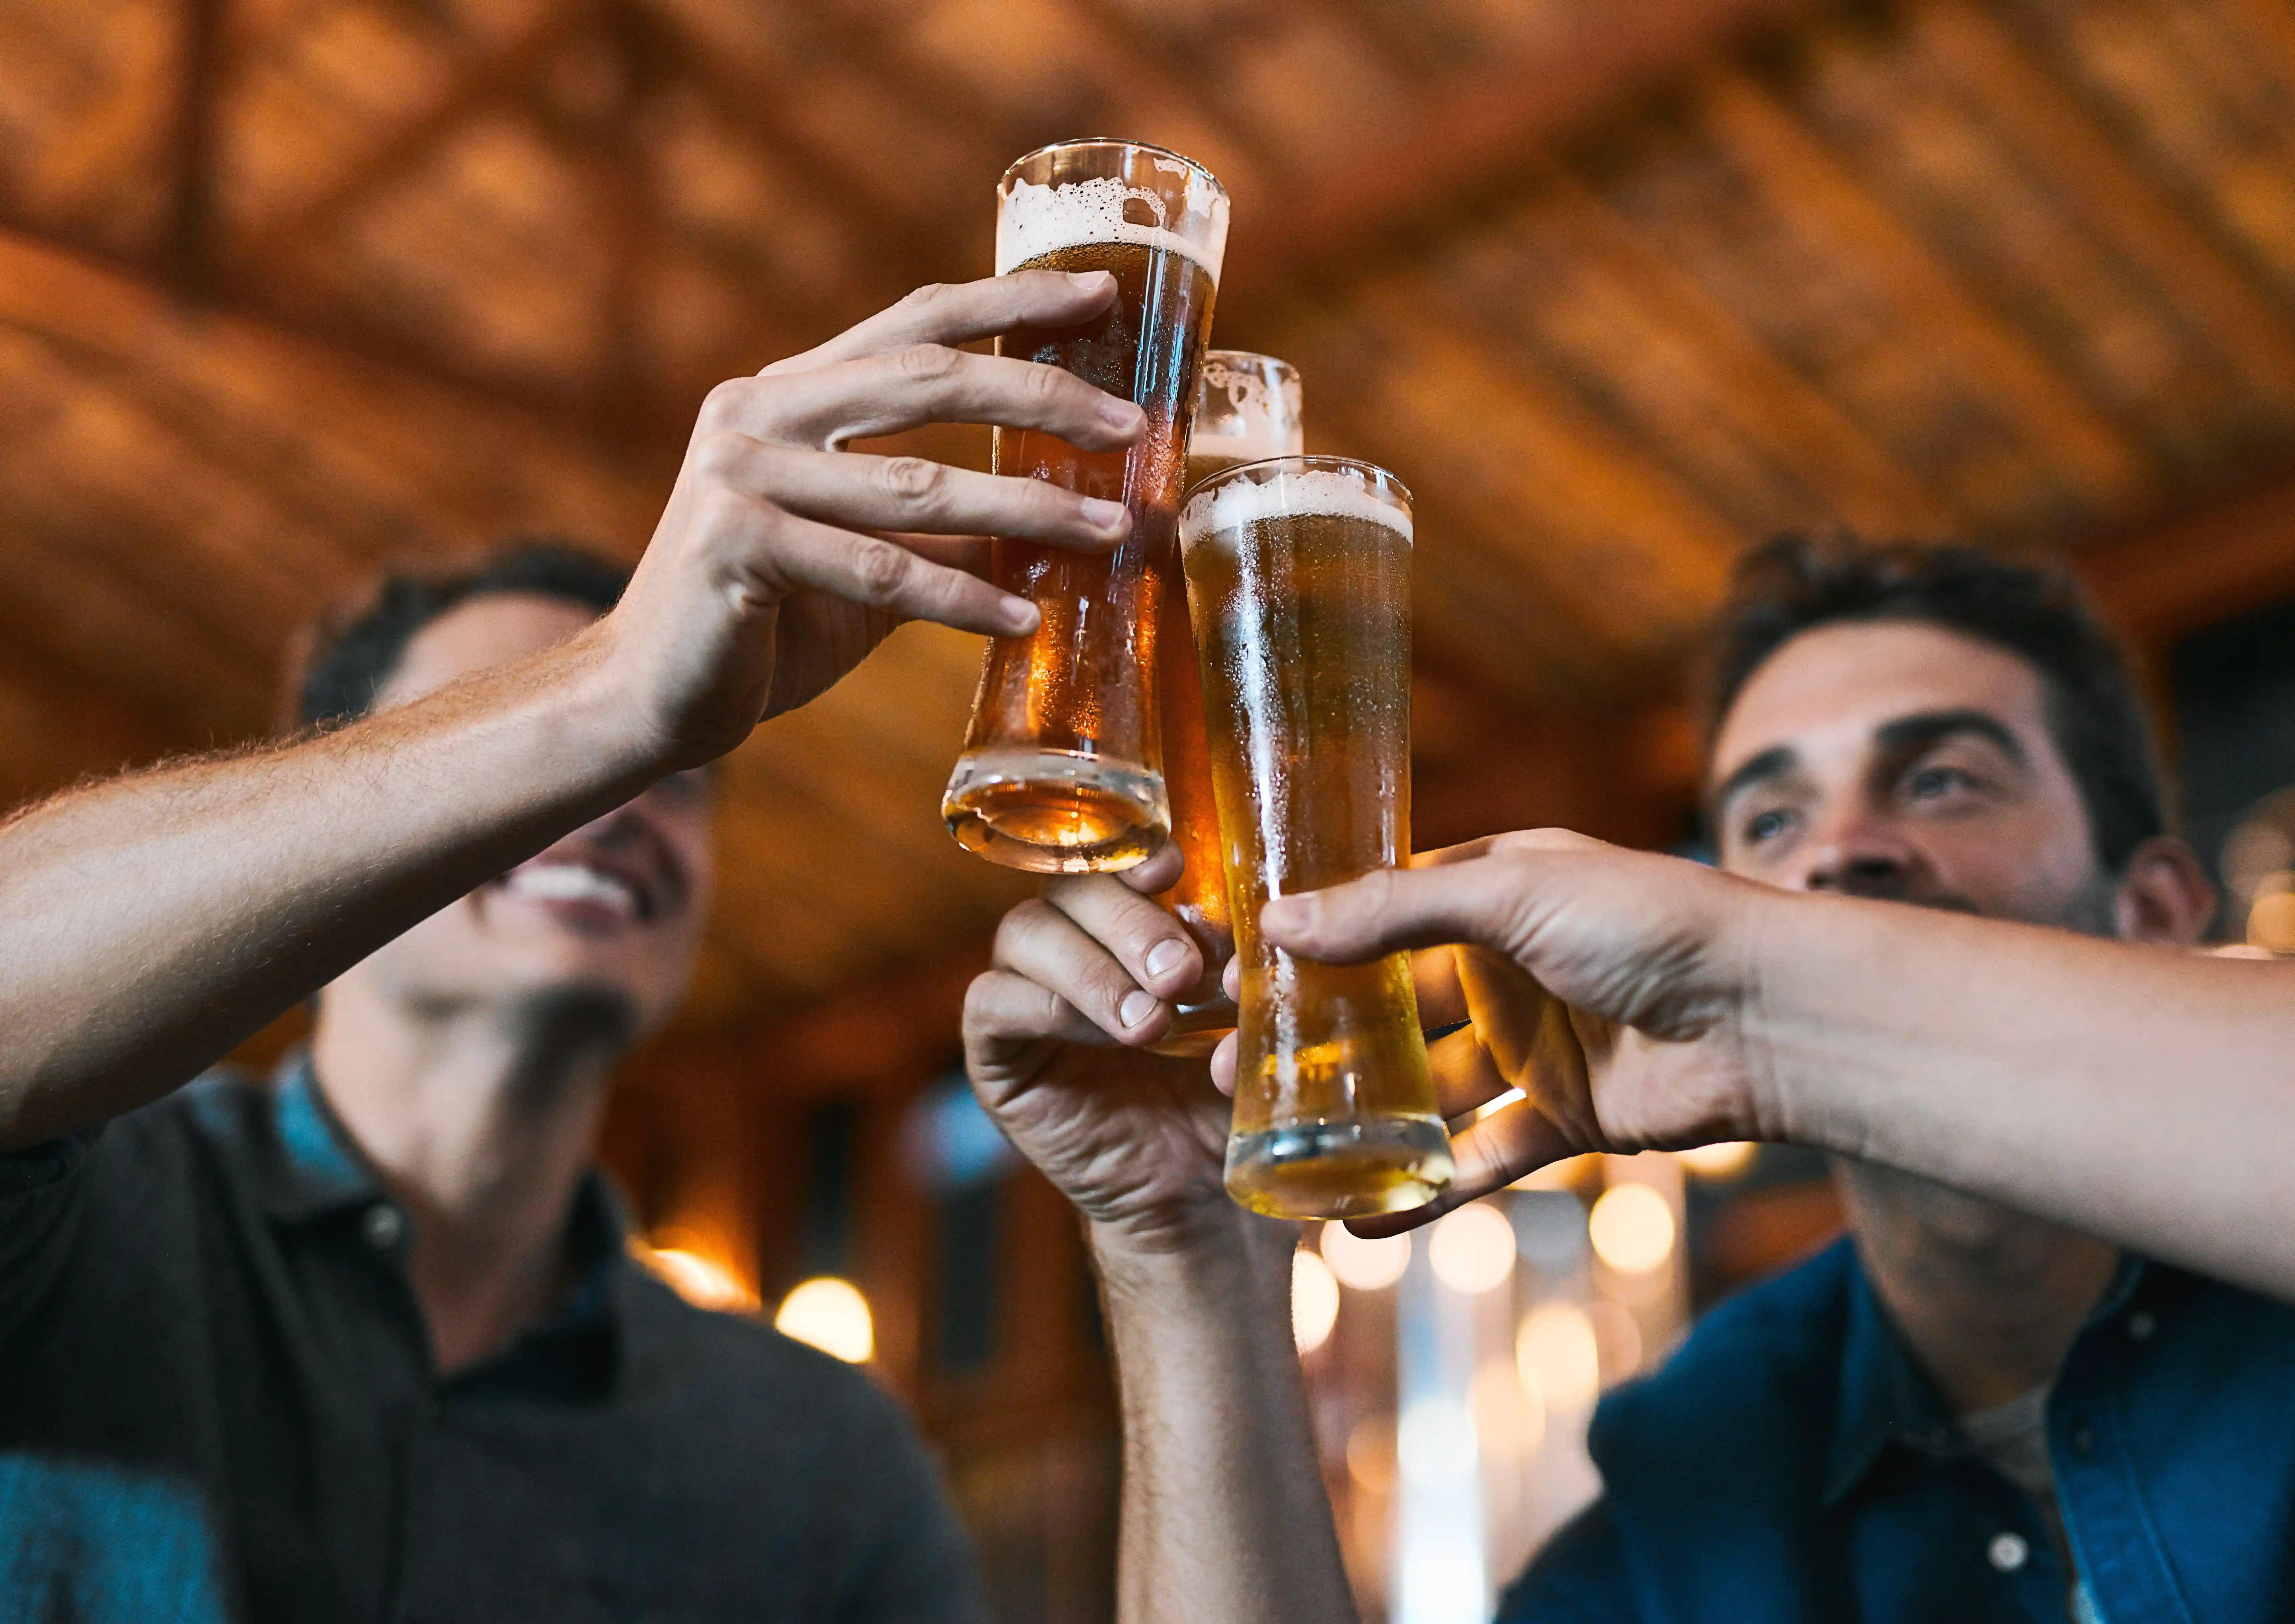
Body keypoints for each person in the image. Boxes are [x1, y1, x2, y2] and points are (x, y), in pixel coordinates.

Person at [0, 268, 1151, 1622]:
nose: (616, 800)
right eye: (518, 742)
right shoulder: (87, 1207)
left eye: (682, 762)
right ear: (341, 820)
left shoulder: (817, 1455)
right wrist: (609, 698)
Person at [963, 536, 2295, 1624]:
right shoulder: (1702, 1468)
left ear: (2157, 908)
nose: (1836, 859)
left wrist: (1769, 1005)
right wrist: (1187, 1253)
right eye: (1769, 824)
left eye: (1940, 780)